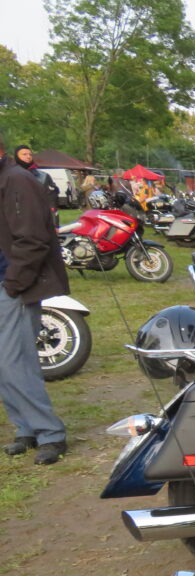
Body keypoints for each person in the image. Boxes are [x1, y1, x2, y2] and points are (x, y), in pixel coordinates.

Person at [0, 134, 69, 464]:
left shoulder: (17, 179)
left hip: (12, 285)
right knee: (6, 363)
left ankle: (50, 433)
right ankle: (26, 428)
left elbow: (34, 238)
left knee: (15, 362)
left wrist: (14, 283)